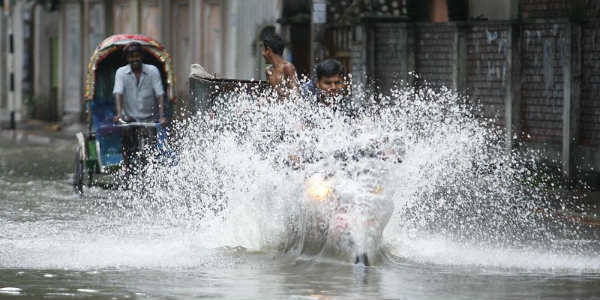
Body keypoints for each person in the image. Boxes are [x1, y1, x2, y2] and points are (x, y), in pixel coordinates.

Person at [112, 42, 166, 174]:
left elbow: (160, 94)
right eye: (131, 56)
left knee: (151, 145)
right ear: (127, 59)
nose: (134, 59)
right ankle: (127, 166)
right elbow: (118, 93)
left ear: (141, 57)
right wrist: (119, 114)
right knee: (127, 137)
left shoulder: (152, 71)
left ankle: (151, 170)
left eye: (137, 56)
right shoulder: (121, 73)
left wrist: (162, 116)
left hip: (149, 117)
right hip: (130, 116)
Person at [262, 33, 299, 99]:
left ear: (268, 50)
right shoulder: (268, 71)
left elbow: (296, 94)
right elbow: (269, 95)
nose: (262, 54)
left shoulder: (287, 67)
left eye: (263, 50)